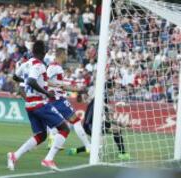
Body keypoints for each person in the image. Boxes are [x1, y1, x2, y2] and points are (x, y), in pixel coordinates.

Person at [7, 40, 70, 171]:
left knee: (41, 135)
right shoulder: (39, 65)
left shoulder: (26, 64)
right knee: (64, 129)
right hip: (39, 103)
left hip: (29, 104)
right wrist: (46, 92)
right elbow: (31, 80)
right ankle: (48, 159)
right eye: (46, 48)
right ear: (43, 51)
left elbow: (14, 76)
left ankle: (14, 156)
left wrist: (26, 81)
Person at [71, 81, 131, 160]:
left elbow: (108, 118)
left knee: (116, 129)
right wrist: (108, 107)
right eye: (114, 89)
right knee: (99, 144)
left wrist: (121, 124)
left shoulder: (105, 98)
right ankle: (77, 150)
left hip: (97, 124)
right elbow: (98, 102)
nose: (115, 91)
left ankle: (122, 153)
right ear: (109, 89)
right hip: (89, 125)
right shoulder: (100, 97)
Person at [46, 48, 91, 154]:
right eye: (65, 54)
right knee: (75, 121)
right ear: (61, 55)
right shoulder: (54, 67)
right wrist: (75, 89)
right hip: (57, 100)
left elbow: (61, 86)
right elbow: (45, 81)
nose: (67, 57)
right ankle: (88, 146)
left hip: (56, 100)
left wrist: (77, 89)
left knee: (61, 126)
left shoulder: (57, 67)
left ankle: (52, 142)